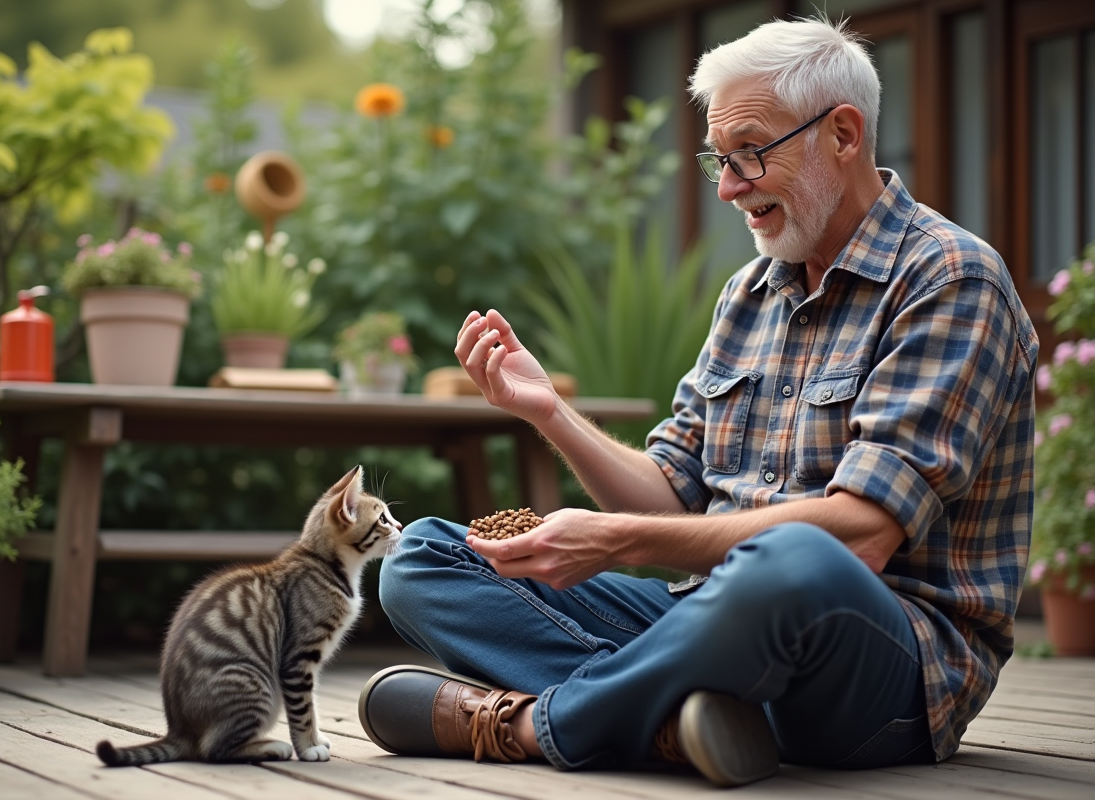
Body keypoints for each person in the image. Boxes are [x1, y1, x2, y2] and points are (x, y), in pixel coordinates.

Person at [357, 16, 1038, 788]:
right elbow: (671, 493)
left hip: (881, 672)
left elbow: (861, 537)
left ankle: (531, 727)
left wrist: (614, 541)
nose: (726, 187)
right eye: (720, 159)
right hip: (705, 621)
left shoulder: (951, 279)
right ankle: (678, 725)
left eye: (749, 153)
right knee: (420, 559)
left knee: (793, 561)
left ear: (843, 134)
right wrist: (548, 411)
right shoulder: (748, 293)